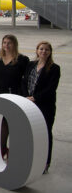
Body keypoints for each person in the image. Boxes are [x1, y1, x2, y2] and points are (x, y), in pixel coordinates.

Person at [0, 34, 29, 159]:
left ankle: (14, 150)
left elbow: (25, 80)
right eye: (4, 42)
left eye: (9, 43)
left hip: (14, 95)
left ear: (14, 44)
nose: (6, 45)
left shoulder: (22, 60)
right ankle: (2, 148)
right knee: (1, 124)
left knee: (13, 123)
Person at [23, 41, 60, 173]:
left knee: (46, 132)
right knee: (31, 132)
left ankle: (45, 162)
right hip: (29, 103)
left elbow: (51, 88)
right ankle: (31, 159)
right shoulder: (31, 65)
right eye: (41, 49)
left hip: (45, 105)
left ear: (50, 52)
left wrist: (35, 98)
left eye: (47, 50)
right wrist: (26, 96)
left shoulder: (54, 68)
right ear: (37, 51)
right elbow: (24, 81)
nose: (44, 52)